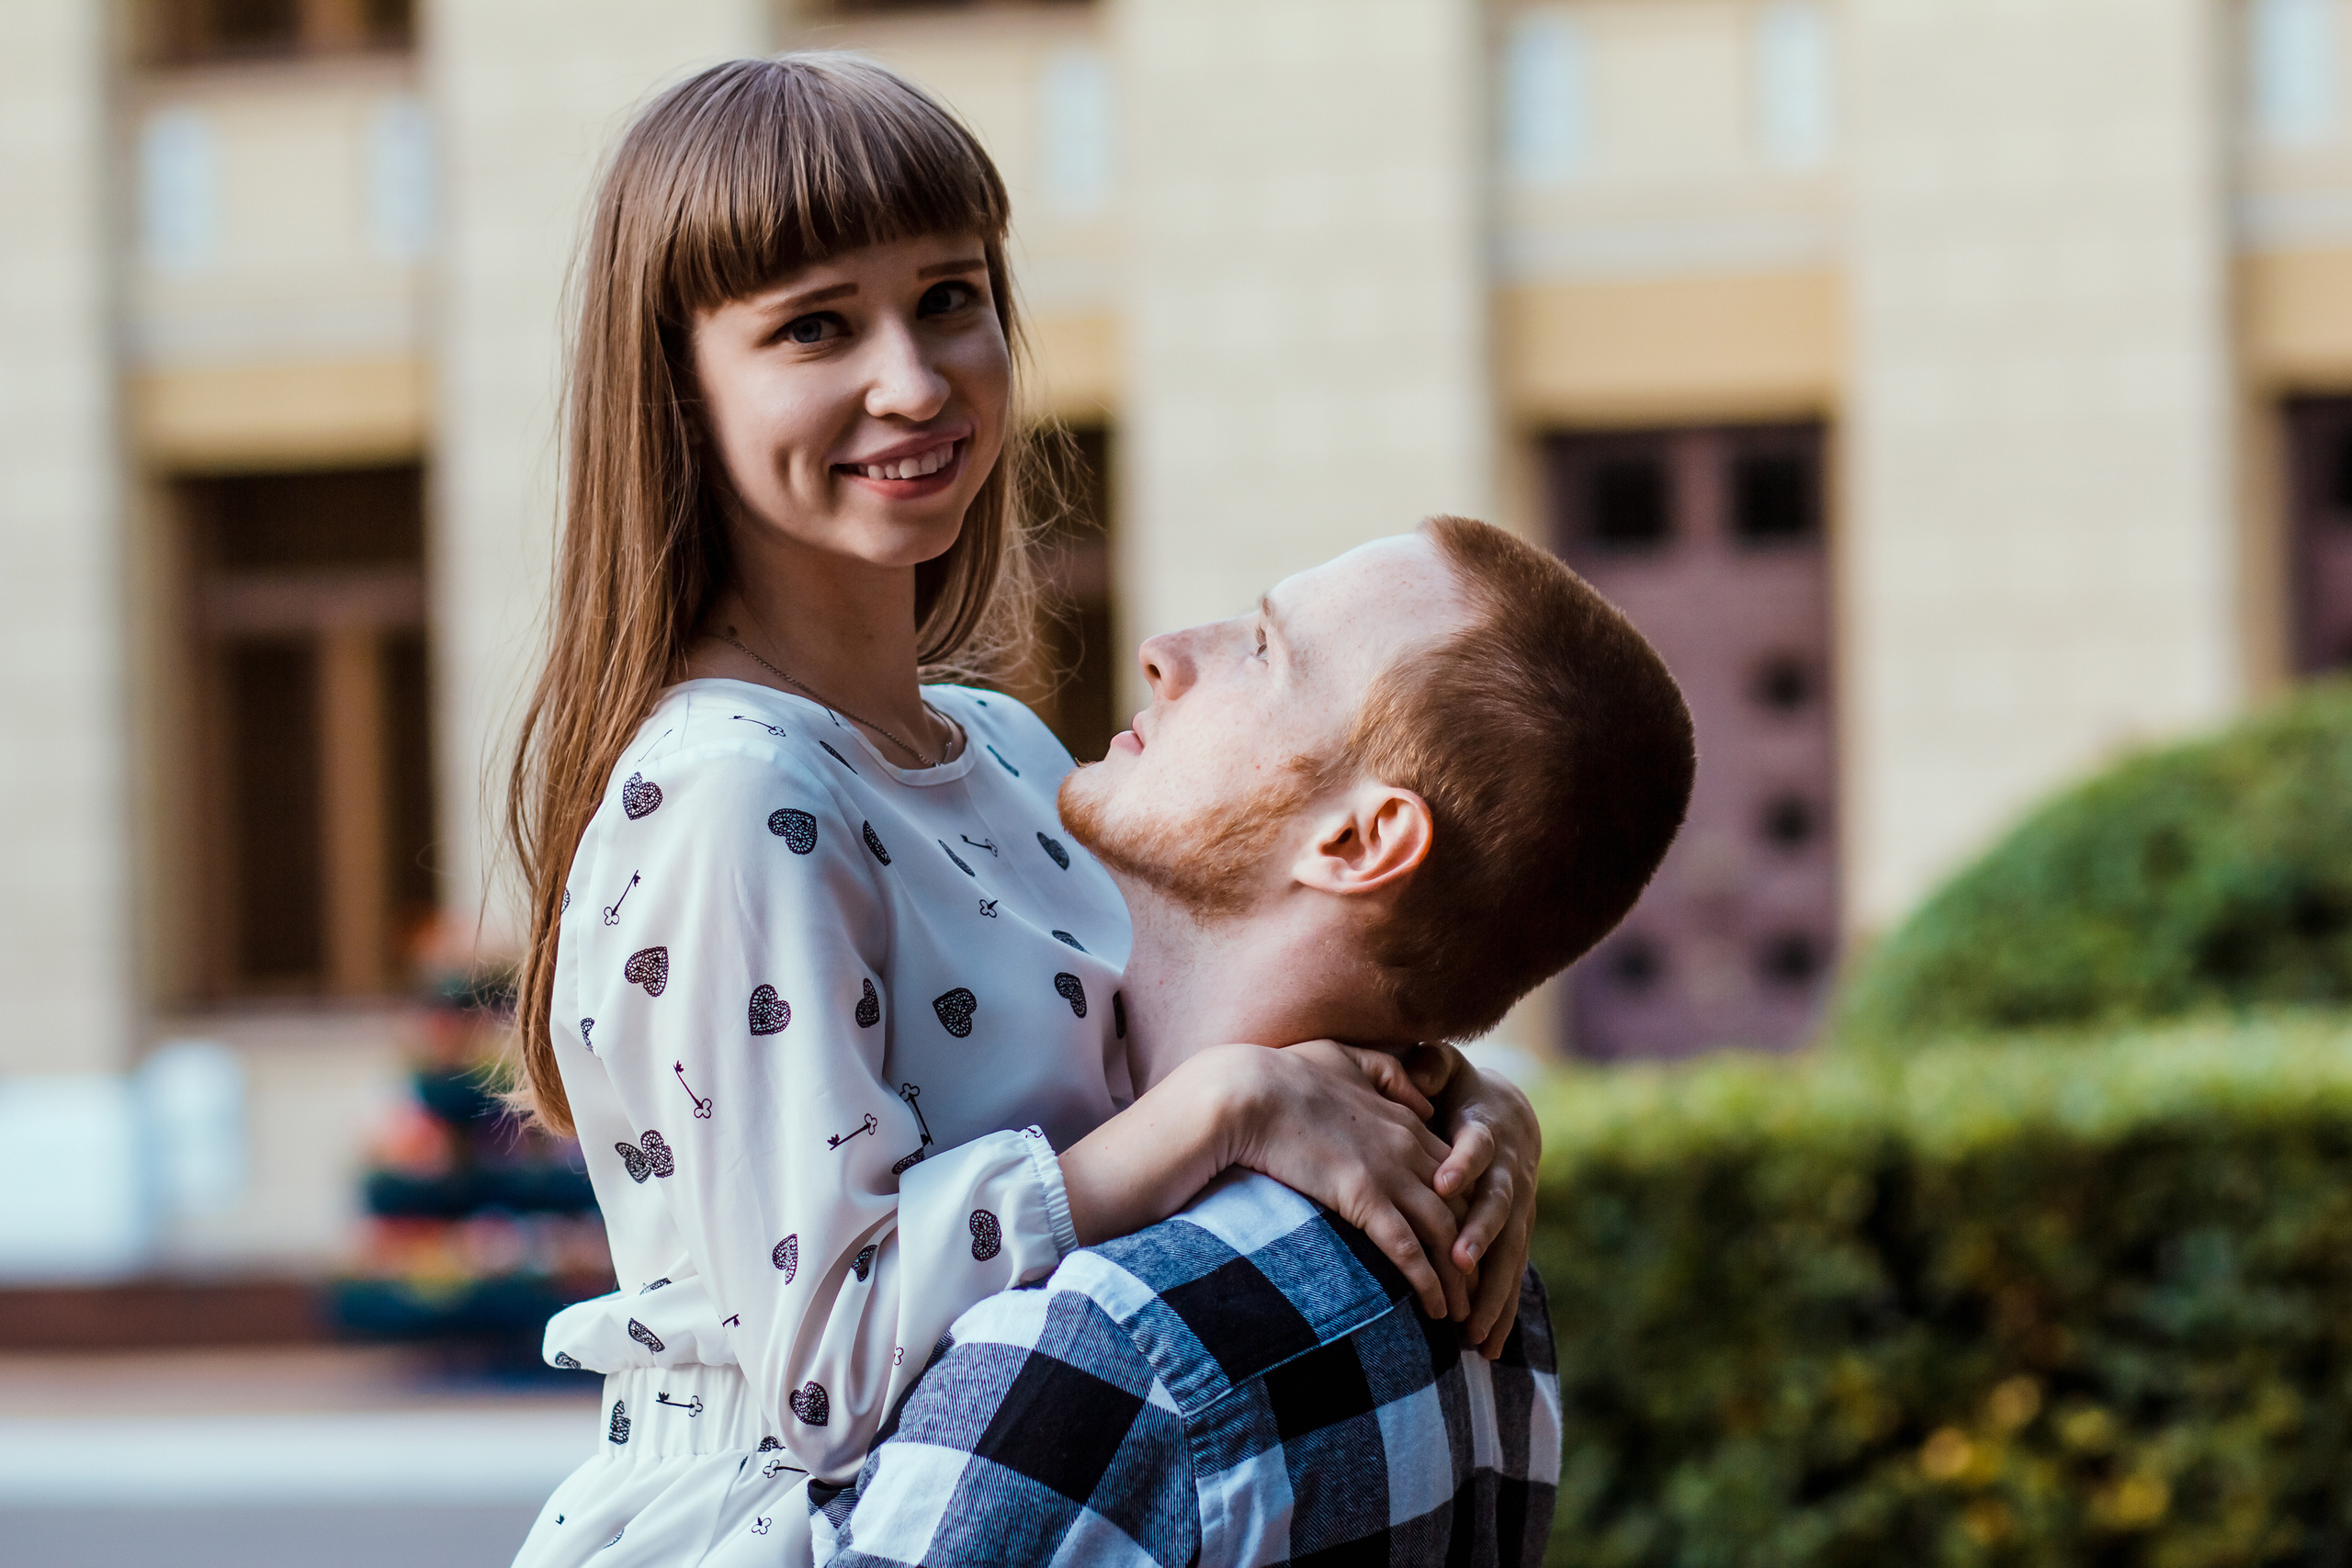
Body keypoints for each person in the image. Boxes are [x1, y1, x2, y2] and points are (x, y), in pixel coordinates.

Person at [502, 57, 1543, 1568]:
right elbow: (832, 1361)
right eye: (815, 325)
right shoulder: (735, 789)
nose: (916, 380)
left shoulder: (992, 742)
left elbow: (1203, 1040)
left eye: (949, 296)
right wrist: (1227, 1111)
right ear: (678, 382)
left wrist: (1456, 1107)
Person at [820, 516, 1696, 1567]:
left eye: (1263, 649)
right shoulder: (1487, 1310)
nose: (1167, 651)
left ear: (1359, 840)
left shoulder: (1108, 1345)